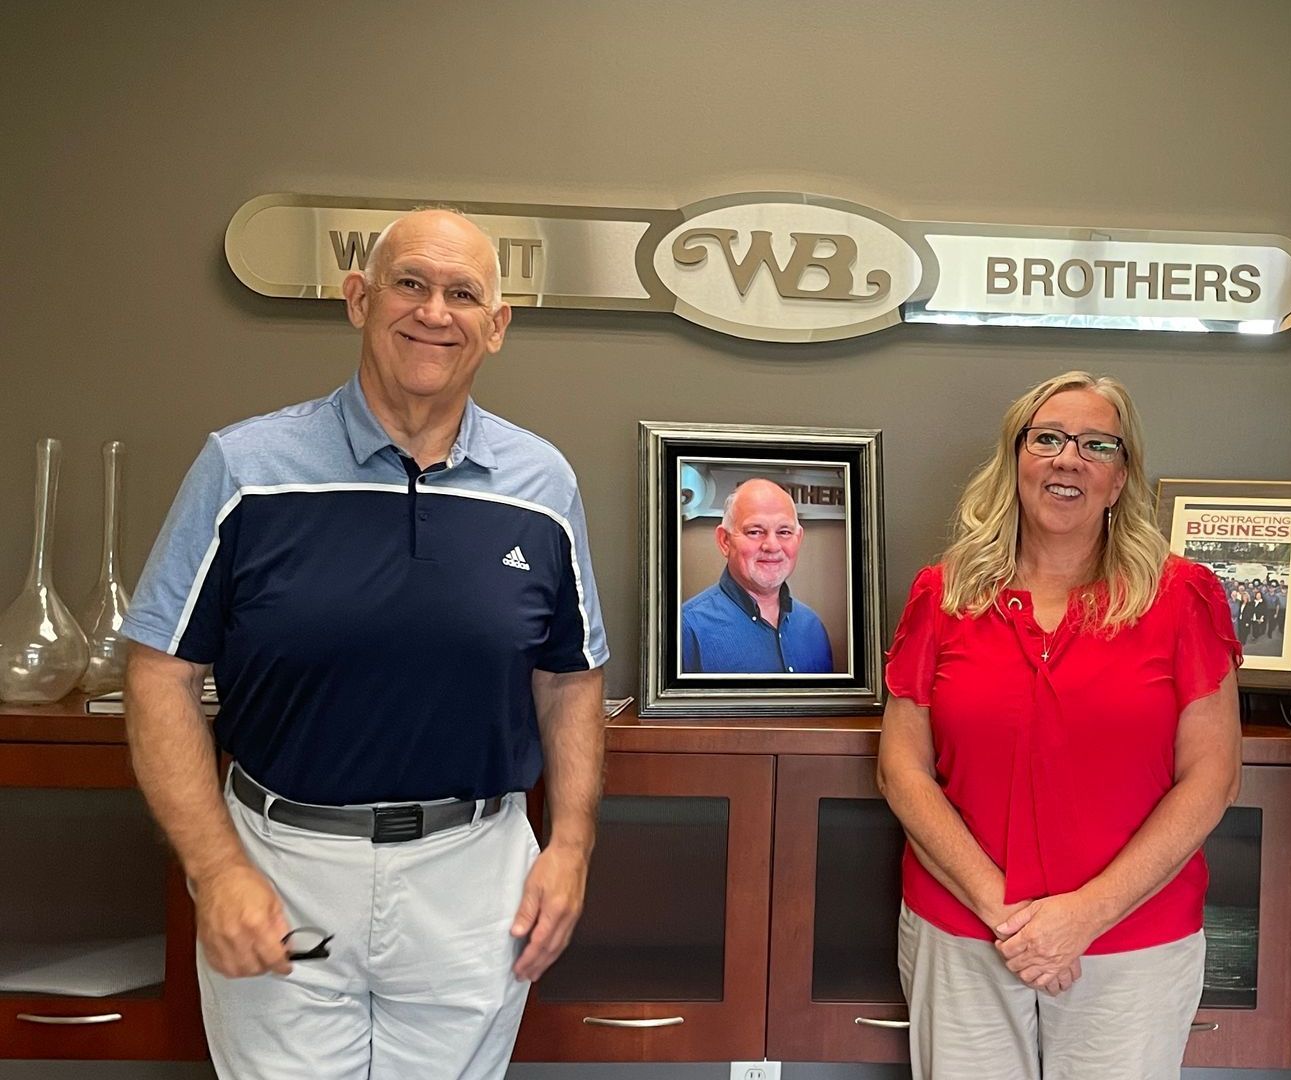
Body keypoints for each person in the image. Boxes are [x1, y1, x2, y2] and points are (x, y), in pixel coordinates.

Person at [121, 208, 609, 1079]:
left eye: (464, 294)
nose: (435, 312)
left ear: (496, 327)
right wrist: (215, 868)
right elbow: (160, 671)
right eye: (410, 284)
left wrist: (569, 847)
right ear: (359, 298)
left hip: (474, 878)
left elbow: (569, 680)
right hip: (285, 868)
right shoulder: (244, 469)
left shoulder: (542, 484)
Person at [876, 371, 1243, 1079]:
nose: (1067, 458)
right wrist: (1005, 910)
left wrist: (1082, 916)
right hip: (964, 934)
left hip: (1133, 940)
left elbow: (1212, 778)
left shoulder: (1182, 598)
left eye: (1095, 445)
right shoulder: (942, 594)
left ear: (1120, 476)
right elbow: (902, 770)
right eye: (1047, 438)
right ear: (1015, 458)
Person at [680, 476, 836, 674]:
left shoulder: (813, 628)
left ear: (798, 539)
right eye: (755, 531)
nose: (772, 546)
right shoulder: (686, 631)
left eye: (784, 532)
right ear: (725, 541)